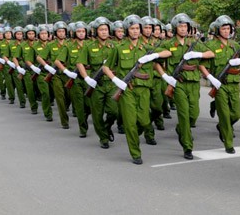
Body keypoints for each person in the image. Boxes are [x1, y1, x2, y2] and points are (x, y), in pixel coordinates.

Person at [103, 15, 171, 164]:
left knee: (145, 121)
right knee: (130, 123)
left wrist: (153, 55)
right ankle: (135, 152)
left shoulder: (147, 47)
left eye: (137, 28)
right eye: (132, 28)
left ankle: (136, 134)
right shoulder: (119, 49)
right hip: (127, 90)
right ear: (127, 30)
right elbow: (106, 67)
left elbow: (168, 53)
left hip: (144, 89)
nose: (135, 31)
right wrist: (116, 80)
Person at [156, 13, 214, 160]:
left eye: (185, 26)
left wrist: (197, 54)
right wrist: (165, 76)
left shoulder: (193, 43)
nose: (183, 29)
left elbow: (211, 53)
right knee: (183, 115)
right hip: (179, 83)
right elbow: (157, 60)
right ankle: (187, 147)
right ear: (175, 28)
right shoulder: (168, 43)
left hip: (194, 83)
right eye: (180, 26)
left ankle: (180, 129)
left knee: (193, 114)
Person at [200, 15, 240, 154]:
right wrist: (210, 77)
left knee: (236, 114)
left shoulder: (235, 46)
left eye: (228, 28)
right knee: (224, 114)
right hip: (220, 85)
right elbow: (202, 65)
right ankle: (228, 143)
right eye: (223, 28)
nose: (226, 31)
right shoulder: (210, 46)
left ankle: (222, 127)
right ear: (218, 30)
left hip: (234, 84)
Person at [77, 17, 120, 147]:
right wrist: (87, 78)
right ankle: (103, 138)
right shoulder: (89, 47)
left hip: (111, 83)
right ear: (96, 31)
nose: (104, 32)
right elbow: (80, 63)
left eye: (106, 29)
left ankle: (107, 127)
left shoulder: (115, 46)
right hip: (96, 84)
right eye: (101, 30)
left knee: (114, 111)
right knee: (97, 114)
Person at [56, 21, 90, 138]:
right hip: (76, 79)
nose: (81, 34)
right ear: (74, 33)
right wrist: (67, 72)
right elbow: (57, 61)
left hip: (88, 78)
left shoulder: (90, 45)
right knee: (79, 105)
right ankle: (83, 128)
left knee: (89, 105)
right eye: (79, 31)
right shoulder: (69, 46)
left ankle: (85, 117)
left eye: (83, 31)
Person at [37, 21, 71, 129]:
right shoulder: (51, 45)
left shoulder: (70, 44)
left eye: (63, 31)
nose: (61, 33)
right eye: (59, 31)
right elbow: (39, 57)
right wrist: (48, 67)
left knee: (69, 97)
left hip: (68, 74)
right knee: (59, 98)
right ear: (56, 33)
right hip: (56, 75)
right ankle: (64, 121)